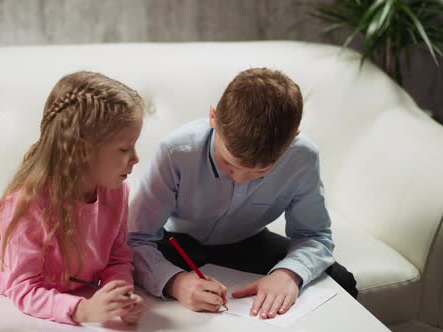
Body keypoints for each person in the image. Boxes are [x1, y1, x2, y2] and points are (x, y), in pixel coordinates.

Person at [128, 67, 357, 320]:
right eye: (228, 164)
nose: (238, 178)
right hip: (177, 244)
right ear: (213, 117)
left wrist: (288, 274)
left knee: (341, 281)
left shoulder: (303, 157)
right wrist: (176, 282)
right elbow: (136, 238)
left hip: (248, 242)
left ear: (294, 138)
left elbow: (314, 235)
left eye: (260, 172)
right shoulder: (176, 152)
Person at [0, 71, 145, 325]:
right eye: (124, 148)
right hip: (10, 314)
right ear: (82, 150)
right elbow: (23, 289)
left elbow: (118, 257)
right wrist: (82, 311)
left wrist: (120, 295)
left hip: (73, 306)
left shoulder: (116, 191)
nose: (135, 158)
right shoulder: (26, 205)